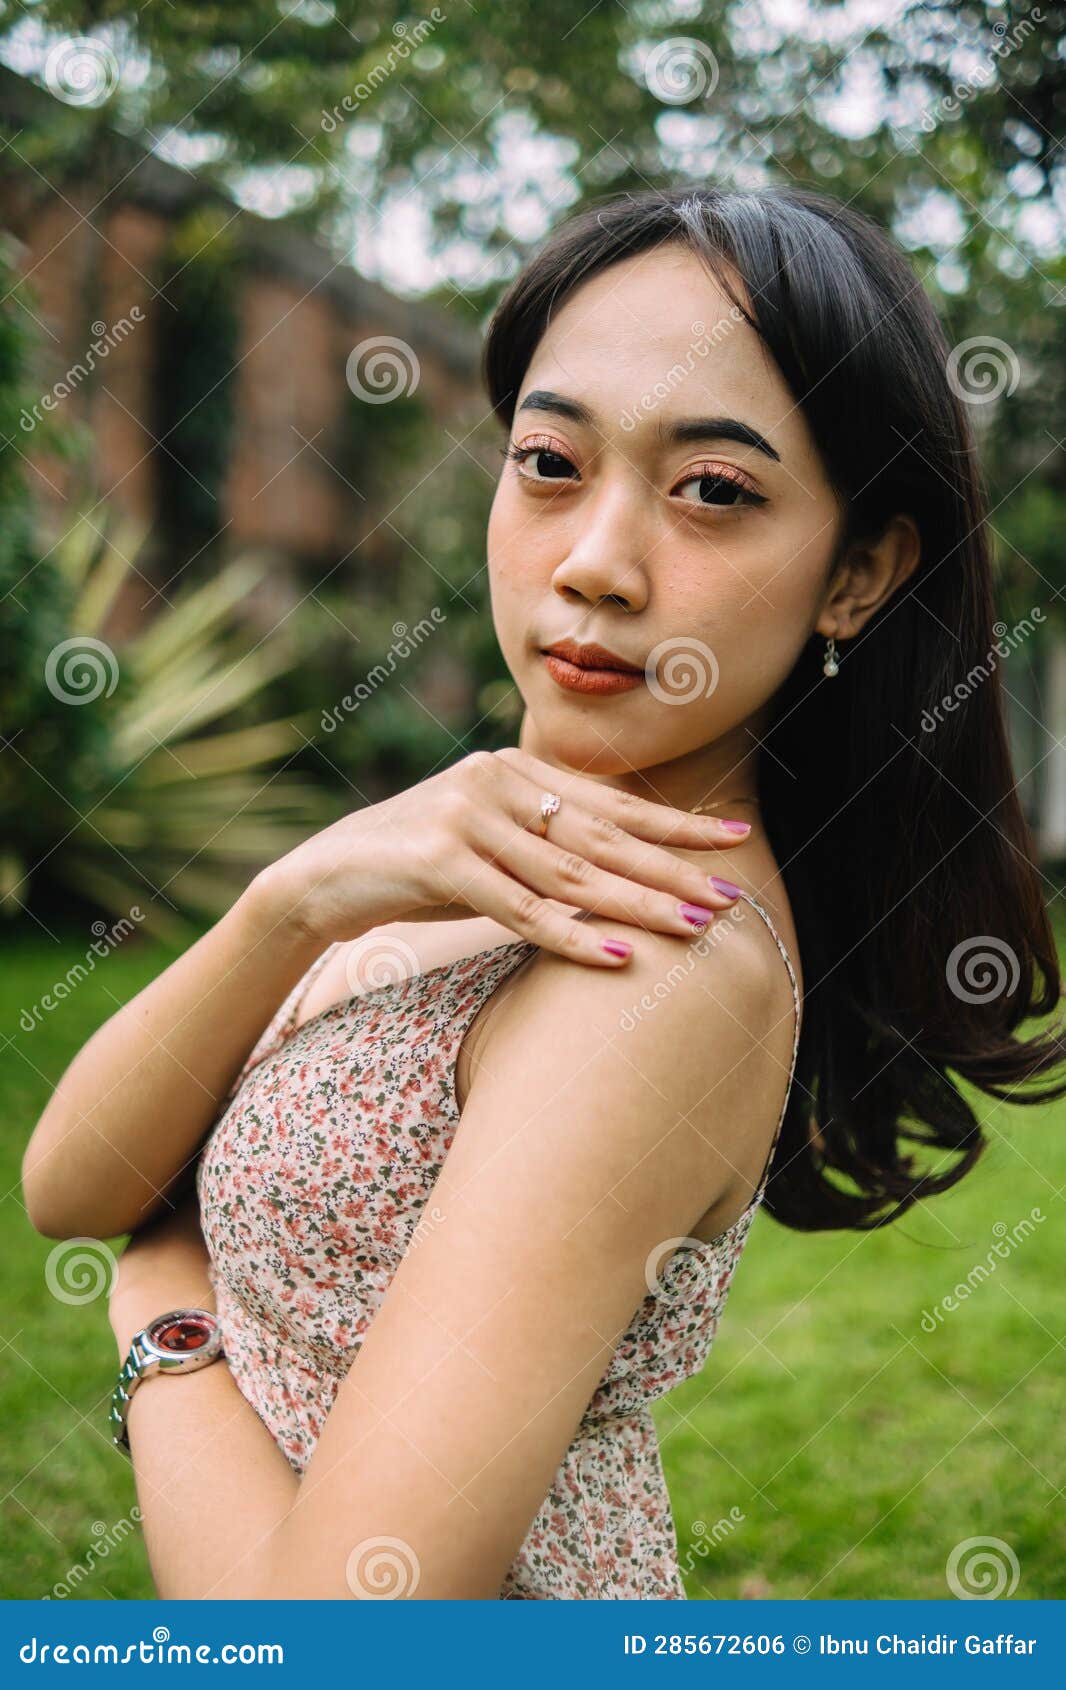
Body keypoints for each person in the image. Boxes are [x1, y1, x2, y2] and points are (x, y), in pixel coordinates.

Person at [22, 184, 1066, 1600]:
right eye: (550, 460)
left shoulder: (651, 962)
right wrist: (293, 898)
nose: (591, 564)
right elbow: (72, 1183)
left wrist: (160, 1316)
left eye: (713, 490)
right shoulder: (469, 839)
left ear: (857, 573)